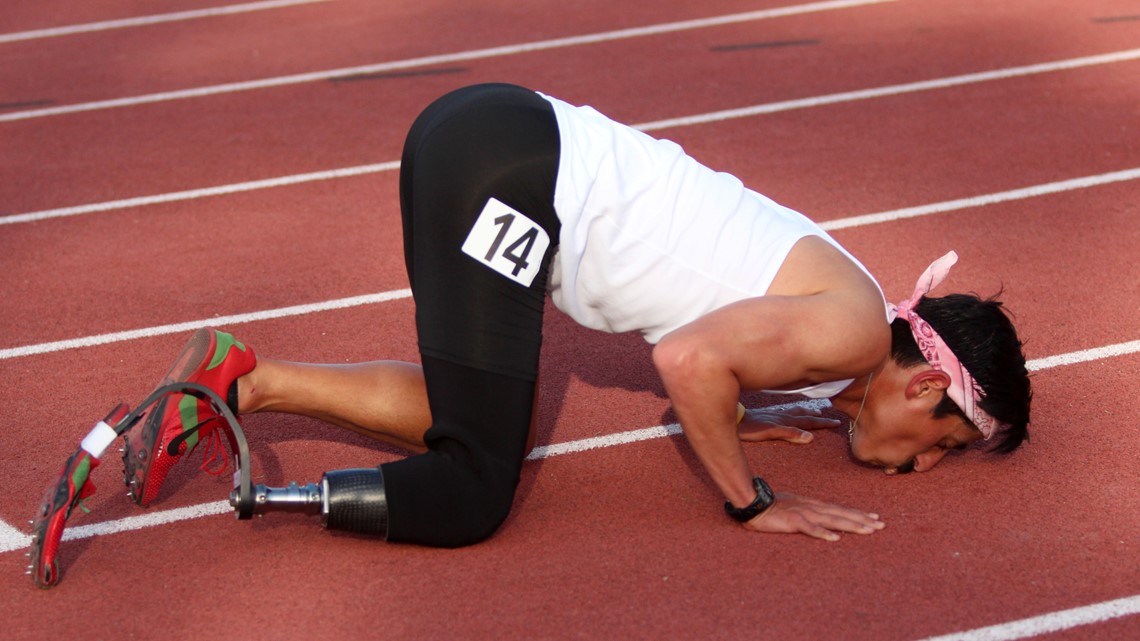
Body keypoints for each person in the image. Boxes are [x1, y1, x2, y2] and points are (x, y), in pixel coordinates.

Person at [123, 83, 1031, 546]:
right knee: (475, 490)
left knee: (471, 418)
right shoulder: (856, 332)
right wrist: (751, 504)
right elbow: (688, 361)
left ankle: (241, 378)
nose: (916, 466)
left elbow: (714, 340)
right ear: (920, 383)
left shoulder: (850, 319)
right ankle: (263, 484)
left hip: (489, 133)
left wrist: (746, 415)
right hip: (515, 177)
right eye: (939, 440)